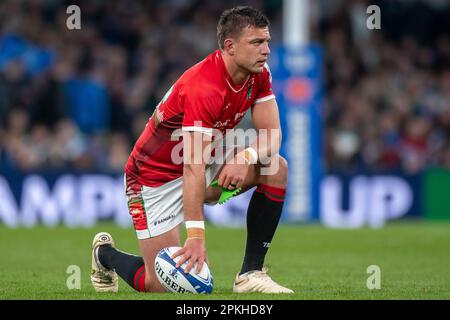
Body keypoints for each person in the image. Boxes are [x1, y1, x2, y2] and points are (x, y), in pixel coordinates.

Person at [90, 6, 293, 294]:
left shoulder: (258, 74)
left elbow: (272, 136)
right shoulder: (203, 87)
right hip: (152, 179)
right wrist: (195, 237)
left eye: (267, 41)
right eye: (257, 43)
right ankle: (105, 256)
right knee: (159, 284)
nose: (267, 50)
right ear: (230, 46)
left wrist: (243, 158)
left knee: (276, 167)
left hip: (203, 162)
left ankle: (250, 275)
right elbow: (191, 167)